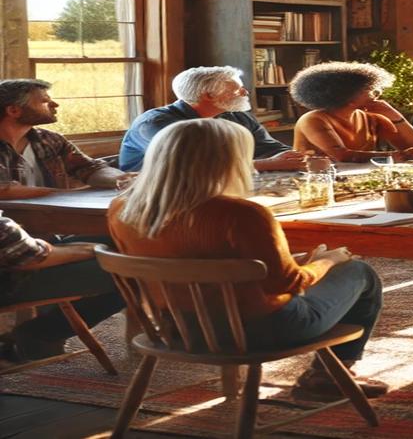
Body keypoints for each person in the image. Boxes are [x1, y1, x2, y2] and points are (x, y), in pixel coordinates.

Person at [107, 118, 388, 400]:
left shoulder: (121, 208)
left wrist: (294, 259)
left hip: (177, 328)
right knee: (359, 272)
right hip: (260, 331)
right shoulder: (242, 214)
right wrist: (329, 260)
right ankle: (328, 376)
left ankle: (329, 375)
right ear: (227, 160)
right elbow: (288, 283)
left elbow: (197, 260)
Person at [120, 66, 306, 172]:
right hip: (153, 196)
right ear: (208, 95)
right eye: (237, 90)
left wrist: (299, 157)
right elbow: (193, 167)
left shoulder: (237, 116)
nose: (245, 92)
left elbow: (268, 148)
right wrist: (269, 164)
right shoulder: (155, 123)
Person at [0, 216, 125, 365]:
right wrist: (93, 249)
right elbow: (30, 258)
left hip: (19, 257)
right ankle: (41, 334)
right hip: (10, 282)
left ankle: (41, 332)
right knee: (128, 270)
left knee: (116, 239)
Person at [0, 79, 128, 200]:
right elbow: (4, 190)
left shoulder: (50, 140)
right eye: (45, 101)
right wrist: (69, 195)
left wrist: (123, 179)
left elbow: (89, 168)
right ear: (14, 110)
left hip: (51, 216)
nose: (55, 104)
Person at [289, 62, 413, 162]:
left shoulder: (372, 118)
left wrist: (395, 116)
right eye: (369, 89)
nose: (377, 93)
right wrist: (394, 155)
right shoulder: (313, 120)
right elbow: (341, 156)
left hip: (358, 178)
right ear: (346, 94)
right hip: (313, 180)